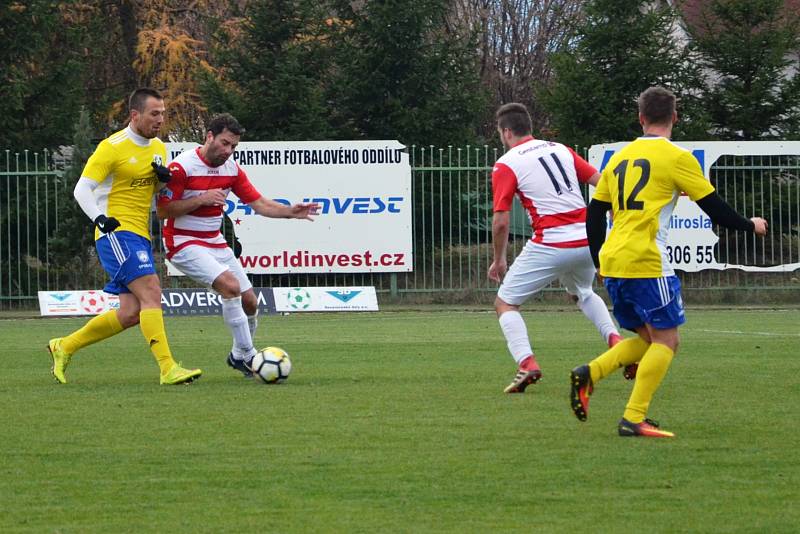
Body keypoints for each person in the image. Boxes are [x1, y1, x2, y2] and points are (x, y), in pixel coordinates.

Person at [571, 86, 768, 438]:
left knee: (649, 339)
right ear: (675, 117)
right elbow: (715, 209)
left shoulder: (618, 158)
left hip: (615, 261)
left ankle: (590, 373)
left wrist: (600, 258)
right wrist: (749, 224)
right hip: (648, 262)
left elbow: (595, 212)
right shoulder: (676, 157)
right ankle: (633, 418)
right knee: (667, 341)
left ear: (641, 118)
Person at [47, 88, 203, 385]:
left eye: (163, 113)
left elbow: (151, 192)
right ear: (135, 115)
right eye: (154, 114)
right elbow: (82, 189)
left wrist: (161, 181)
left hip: (139, 234)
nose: (160, 119)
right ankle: (168, 368)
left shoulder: (159, 147)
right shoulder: (112, 147)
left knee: (131, 312)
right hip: (116, 233)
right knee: (152, 291)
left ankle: (64, 345)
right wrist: (100, 219)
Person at [156, 113, 318, 377]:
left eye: (233, 146)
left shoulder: (231, 169)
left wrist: (290, 212)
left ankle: (237, 355)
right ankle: (250, 355)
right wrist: (202, 199)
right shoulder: (181, 167)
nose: (228, 151)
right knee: (230, 287)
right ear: (209, 136)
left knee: (250, 302)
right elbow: (163, 211)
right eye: (224, 143)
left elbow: (260, 203)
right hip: (183, 242)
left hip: (214, 241)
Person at [488, 103, 622, 394]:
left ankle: (527, 362)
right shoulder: (560, 149)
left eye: (500, 132)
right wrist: (611, 212)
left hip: (551, 241)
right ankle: (616, 342)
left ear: (507, 131)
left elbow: (500, 221)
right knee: (582, 292)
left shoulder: (506, 163)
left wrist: (499, 259)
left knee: (505, 303)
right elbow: (602, 182)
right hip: (587, 238)